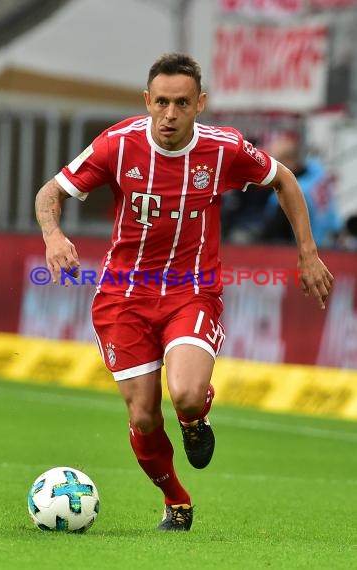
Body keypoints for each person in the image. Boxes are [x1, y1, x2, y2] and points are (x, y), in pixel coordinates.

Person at [35, 53, 333, 532]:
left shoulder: (224, 149)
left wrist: (308, 253)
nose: (169, 114)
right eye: (161, 102)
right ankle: (176, 500)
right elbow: (50, 193)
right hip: (121, 296)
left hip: (191, 291)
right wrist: (53, 235)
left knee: (188, 394)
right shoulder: (117, 144)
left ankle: (196, 420)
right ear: (146, 101)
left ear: (200, 104)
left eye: (181, 103)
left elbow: (285, 180)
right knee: (145, 414)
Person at [259, 132, 344, 247]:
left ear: (290, 162)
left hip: (311, 247)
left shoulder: (289, 192)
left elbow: (272, 232)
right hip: (330, 235)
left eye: (275, 163)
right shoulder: (317, 170)